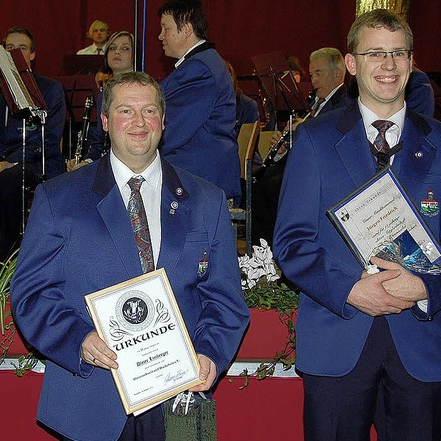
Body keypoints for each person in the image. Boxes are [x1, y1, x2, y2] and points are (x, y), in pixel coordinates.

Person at [11, 72, 249, 441]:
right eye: (125, 111)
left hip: (179, 396)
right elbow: (31, 294)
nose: (138, 122)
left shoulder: (207, 200)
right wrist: (78, 340)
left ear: (164, 121)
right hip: (92, 396)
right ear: (105, 122)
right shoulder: (58, 199)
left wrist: (209, 353)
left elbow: (225, 299)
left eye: (149, 111)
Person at [274, 9, 441, 440]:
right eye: (375, 54)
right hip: (337, 339)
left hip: (422, 346)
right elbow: (292, 244)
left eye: (398, 54)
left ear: (411, 62)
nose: (388, 65)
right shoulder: (314, 141)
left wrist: (427, 287)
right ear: (351, 64)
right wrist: (350, 290)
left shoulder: (440, 143)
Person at [0, 26, 65, 260]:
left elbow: (47, 140)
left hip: (39, 163)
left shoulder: (51, 89)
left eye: (22, 48)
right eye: (9, 48)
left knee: (10, 179)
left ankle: (10, 253)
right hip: (2, 161)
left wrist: (9, 163)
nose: (15, 53)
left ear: (33, 55)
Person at [252, 46, 348, 246]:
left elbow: (331, 139)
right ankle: (263, 252)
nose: (313, 81)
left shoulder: (344, 104)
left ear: (338, 73)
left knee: (271, 186)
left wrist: (306, 129)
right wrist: (283, 148)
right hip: (304, 165)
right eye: (312, 74)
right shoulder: (315, 102)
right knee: (262, 180)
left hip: (323, 173)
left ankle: (276, 248)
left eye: (319, 74)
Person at [157, 0, 241, 202]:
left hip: (197, 175)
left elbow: (172, 129)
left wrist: (131, 153)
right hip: (196, 168)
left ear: (186, 29)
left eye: (165, 28)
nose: (160, 36)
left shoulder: (199, 69)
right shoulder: (203, 63)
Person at [67, 31, 135, 172]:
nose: (117, 52)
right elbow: (99, 140)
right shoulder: (104, 94)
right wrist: (86, 161)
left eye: (125, 48)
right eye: (112, 48)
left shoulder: (142, 91)